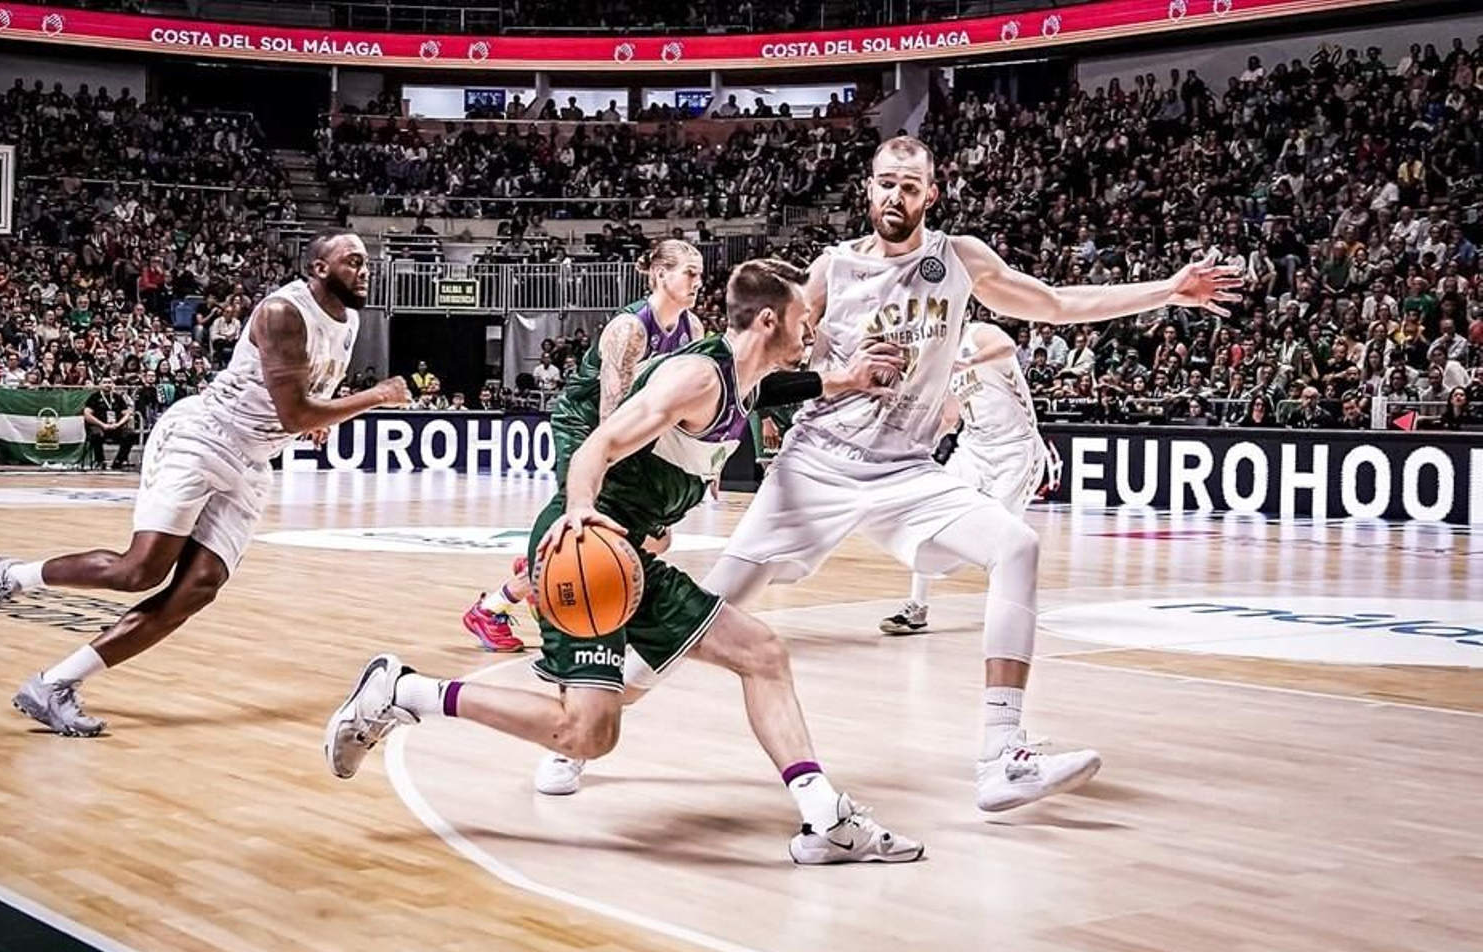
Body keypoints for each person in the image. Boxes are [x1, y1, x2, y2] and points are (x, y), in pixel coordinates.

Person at [532, 136, 1241, 812]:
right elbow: (766, 346)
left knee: (1017, 546)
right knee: (704, 614)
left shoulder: (959, 259)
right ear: (867, 190)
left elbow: (1054, 304)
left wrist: (1166, 291)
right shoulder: (832, 269)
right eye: (884, 182)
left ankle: (1000, 755)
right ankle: (578, 741)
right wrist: (826, 377)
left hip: (904, 470)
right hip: (813, 469)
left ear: (932, 193)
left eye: (909, 183)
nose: (895, 194)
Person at [325, 259, 920, 864]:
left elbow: (784, 388)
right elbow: (599, 442)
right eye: (804, 319)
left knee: (761, 654)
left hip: (632, 556)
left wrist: (849, 379)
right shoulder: (697, 377)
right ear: (770, 319)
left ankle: (826, 820)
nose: (809, 331)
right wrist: (580, 509)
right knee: (589, 732)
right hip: (590, 553)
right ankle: (405, 692)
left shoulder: (745, 378)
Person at [0, 231, 415, 736]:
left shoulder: (348, 323)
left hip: (255, 459)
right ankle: (10, 576)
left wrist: (321, 414)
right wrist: (377, 396)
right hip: (206, 436)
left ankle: (54, 683)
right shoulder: (284, 312)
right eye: (353, 262)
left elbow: (305, 396)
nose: (364, 270)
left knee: (199, 587)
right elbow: (295, 408)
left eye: (366, 262)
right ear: (320, 269)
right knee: (140, 571)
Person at [461, 240, 705, 652]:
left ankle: (538, 573)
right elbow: (609, 419)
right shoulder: (630, 329)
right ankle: (492, 607)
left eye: (700, 272)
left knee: (656, 539)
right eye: (690, 272)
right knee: (585, 527)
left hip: (632, 432)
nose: (699, 280)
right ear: (660, 274)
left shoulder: (692, 329)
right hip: (586, 425)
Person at [878, 319, 1055, 635]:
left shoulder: (978, 334)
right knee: (931, 518)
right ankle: (916, 607)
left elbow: (1007, 346)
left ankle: (1017, 607)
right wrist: (922, 443)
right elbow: (950, 416)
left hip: (1016, 450)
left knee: (1006, 534)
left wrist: (969, 362)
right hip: (973, 446)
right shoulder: (940, 358)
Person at [84, 376, 137, 470]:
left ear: (113, 385)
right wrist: (102, 425)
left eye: (109, 382)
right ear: (100, 385)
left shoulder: (118, 397)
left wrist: (118, 424)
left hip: (115, 427)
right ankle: (100, 461)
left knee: (130, 434)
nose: (107, 385)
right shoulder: (94, 397)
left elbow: (127, 414)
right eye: (104, 382)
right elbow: (87, 415)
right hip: (100, 426)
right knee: (96, 434)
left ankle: (119, 461)